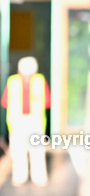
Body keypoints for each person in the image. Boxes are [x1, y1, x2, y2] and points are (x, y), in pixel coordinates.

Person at [2, 57, 51, 186]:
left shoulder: (40, 81)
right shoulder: (12, 82)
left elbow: (47, 102)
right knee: (18, 151)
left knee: (37, 151)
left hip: (35, 121)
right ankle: (19, 177)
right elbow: (5, 101)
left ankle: (39, 178)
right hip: (17, 121)